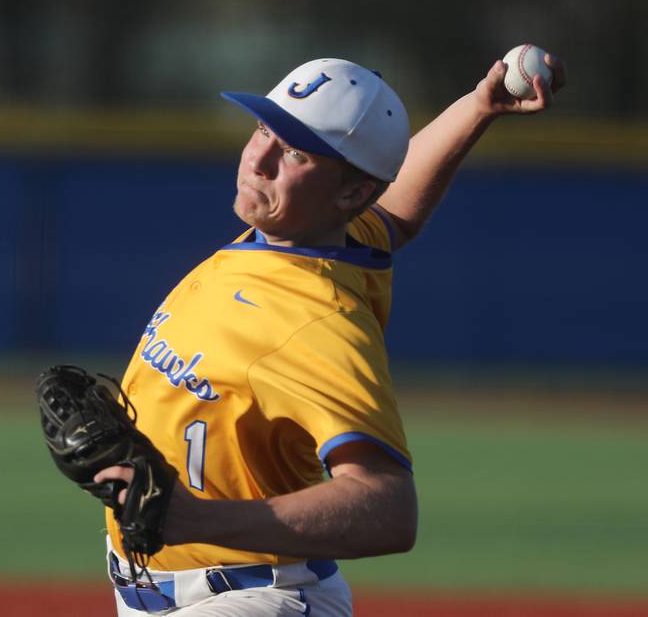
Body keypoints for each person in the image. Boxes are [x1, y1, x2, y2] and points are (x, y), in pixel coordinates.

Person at [94, 54, 566, 616]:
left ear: (348, 194)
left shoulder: (320, 321)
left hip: (252, 597)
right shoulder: (306, 238)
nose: (259, 158)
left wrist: (194, 519)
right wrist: (480, 105)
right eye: (264, 129)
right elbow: (394, 214)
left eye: (294, 151)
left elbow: (388, 506)